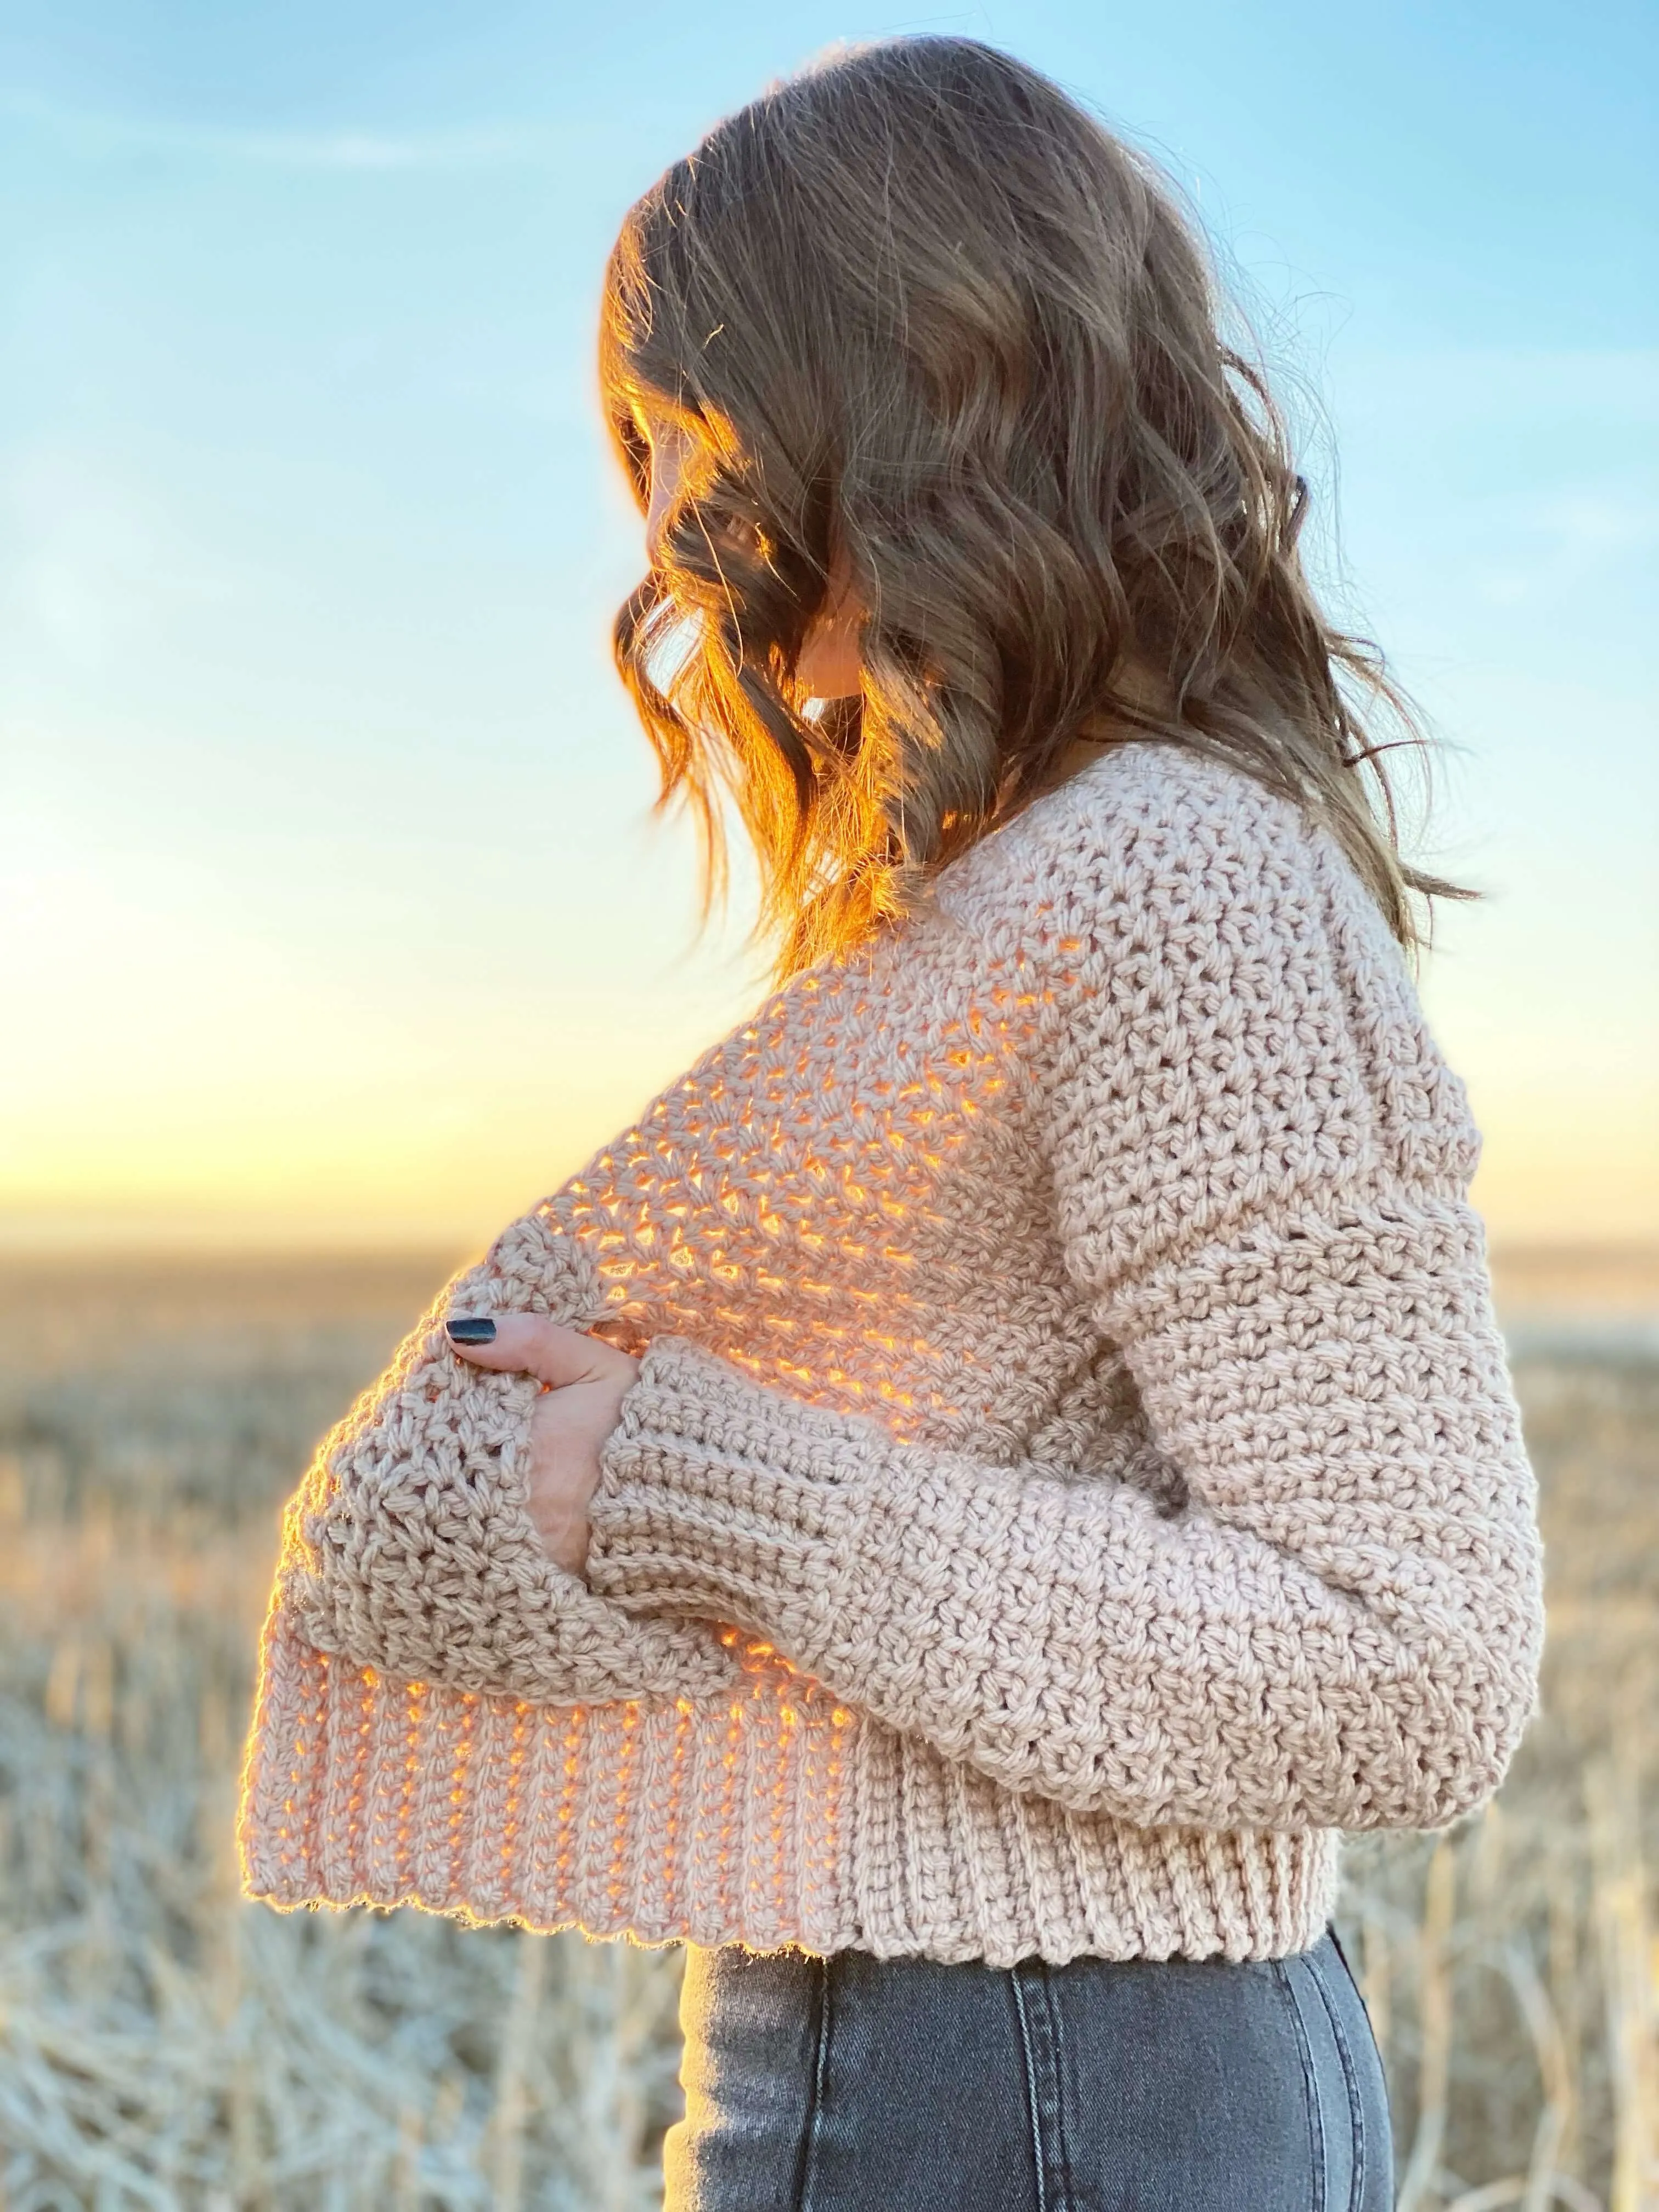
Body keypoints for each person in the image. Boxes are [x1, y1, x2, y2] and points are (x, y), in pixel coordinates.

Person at [240, 37, 1544, 2210]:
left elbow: (1406, 1661)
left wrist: (697, 1476)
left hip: (1038, 2068)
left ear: (915, 377)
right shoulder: (1028, 880)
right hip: (1005, 2045)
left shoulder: (1176, 881)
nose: (659, 521)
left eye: (689, 426)